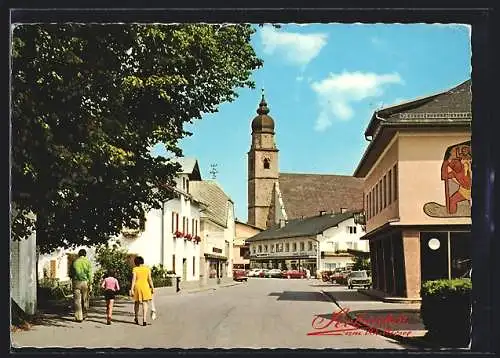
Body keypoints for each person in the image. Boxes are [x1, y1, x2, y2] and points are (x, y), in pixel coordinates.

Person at [130, 256, 154, 326]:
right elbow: (149, 279)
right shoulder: (147, 269)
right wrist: (152, 287)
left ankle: (136, 317)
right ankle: (144, 319)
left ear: (136, 262)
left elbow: (134, 279)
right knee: (145, 303)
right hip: (145, 286)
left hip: (137, 286)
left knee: (136, 302)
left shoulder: (135, 269)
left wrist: (132, 289)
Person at [70, 249, 93, 322]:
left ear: (79, 254)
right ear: (85, 254)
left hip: (76, 282)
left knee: (77, 300)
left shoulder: (75, 262)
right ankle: (85, 314)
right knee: (85, 299)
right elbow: (90, 274)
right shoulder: (88, 262)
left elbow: (71, 273)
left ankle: (78, 316)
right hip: (85, 282)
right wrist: (91, 283)